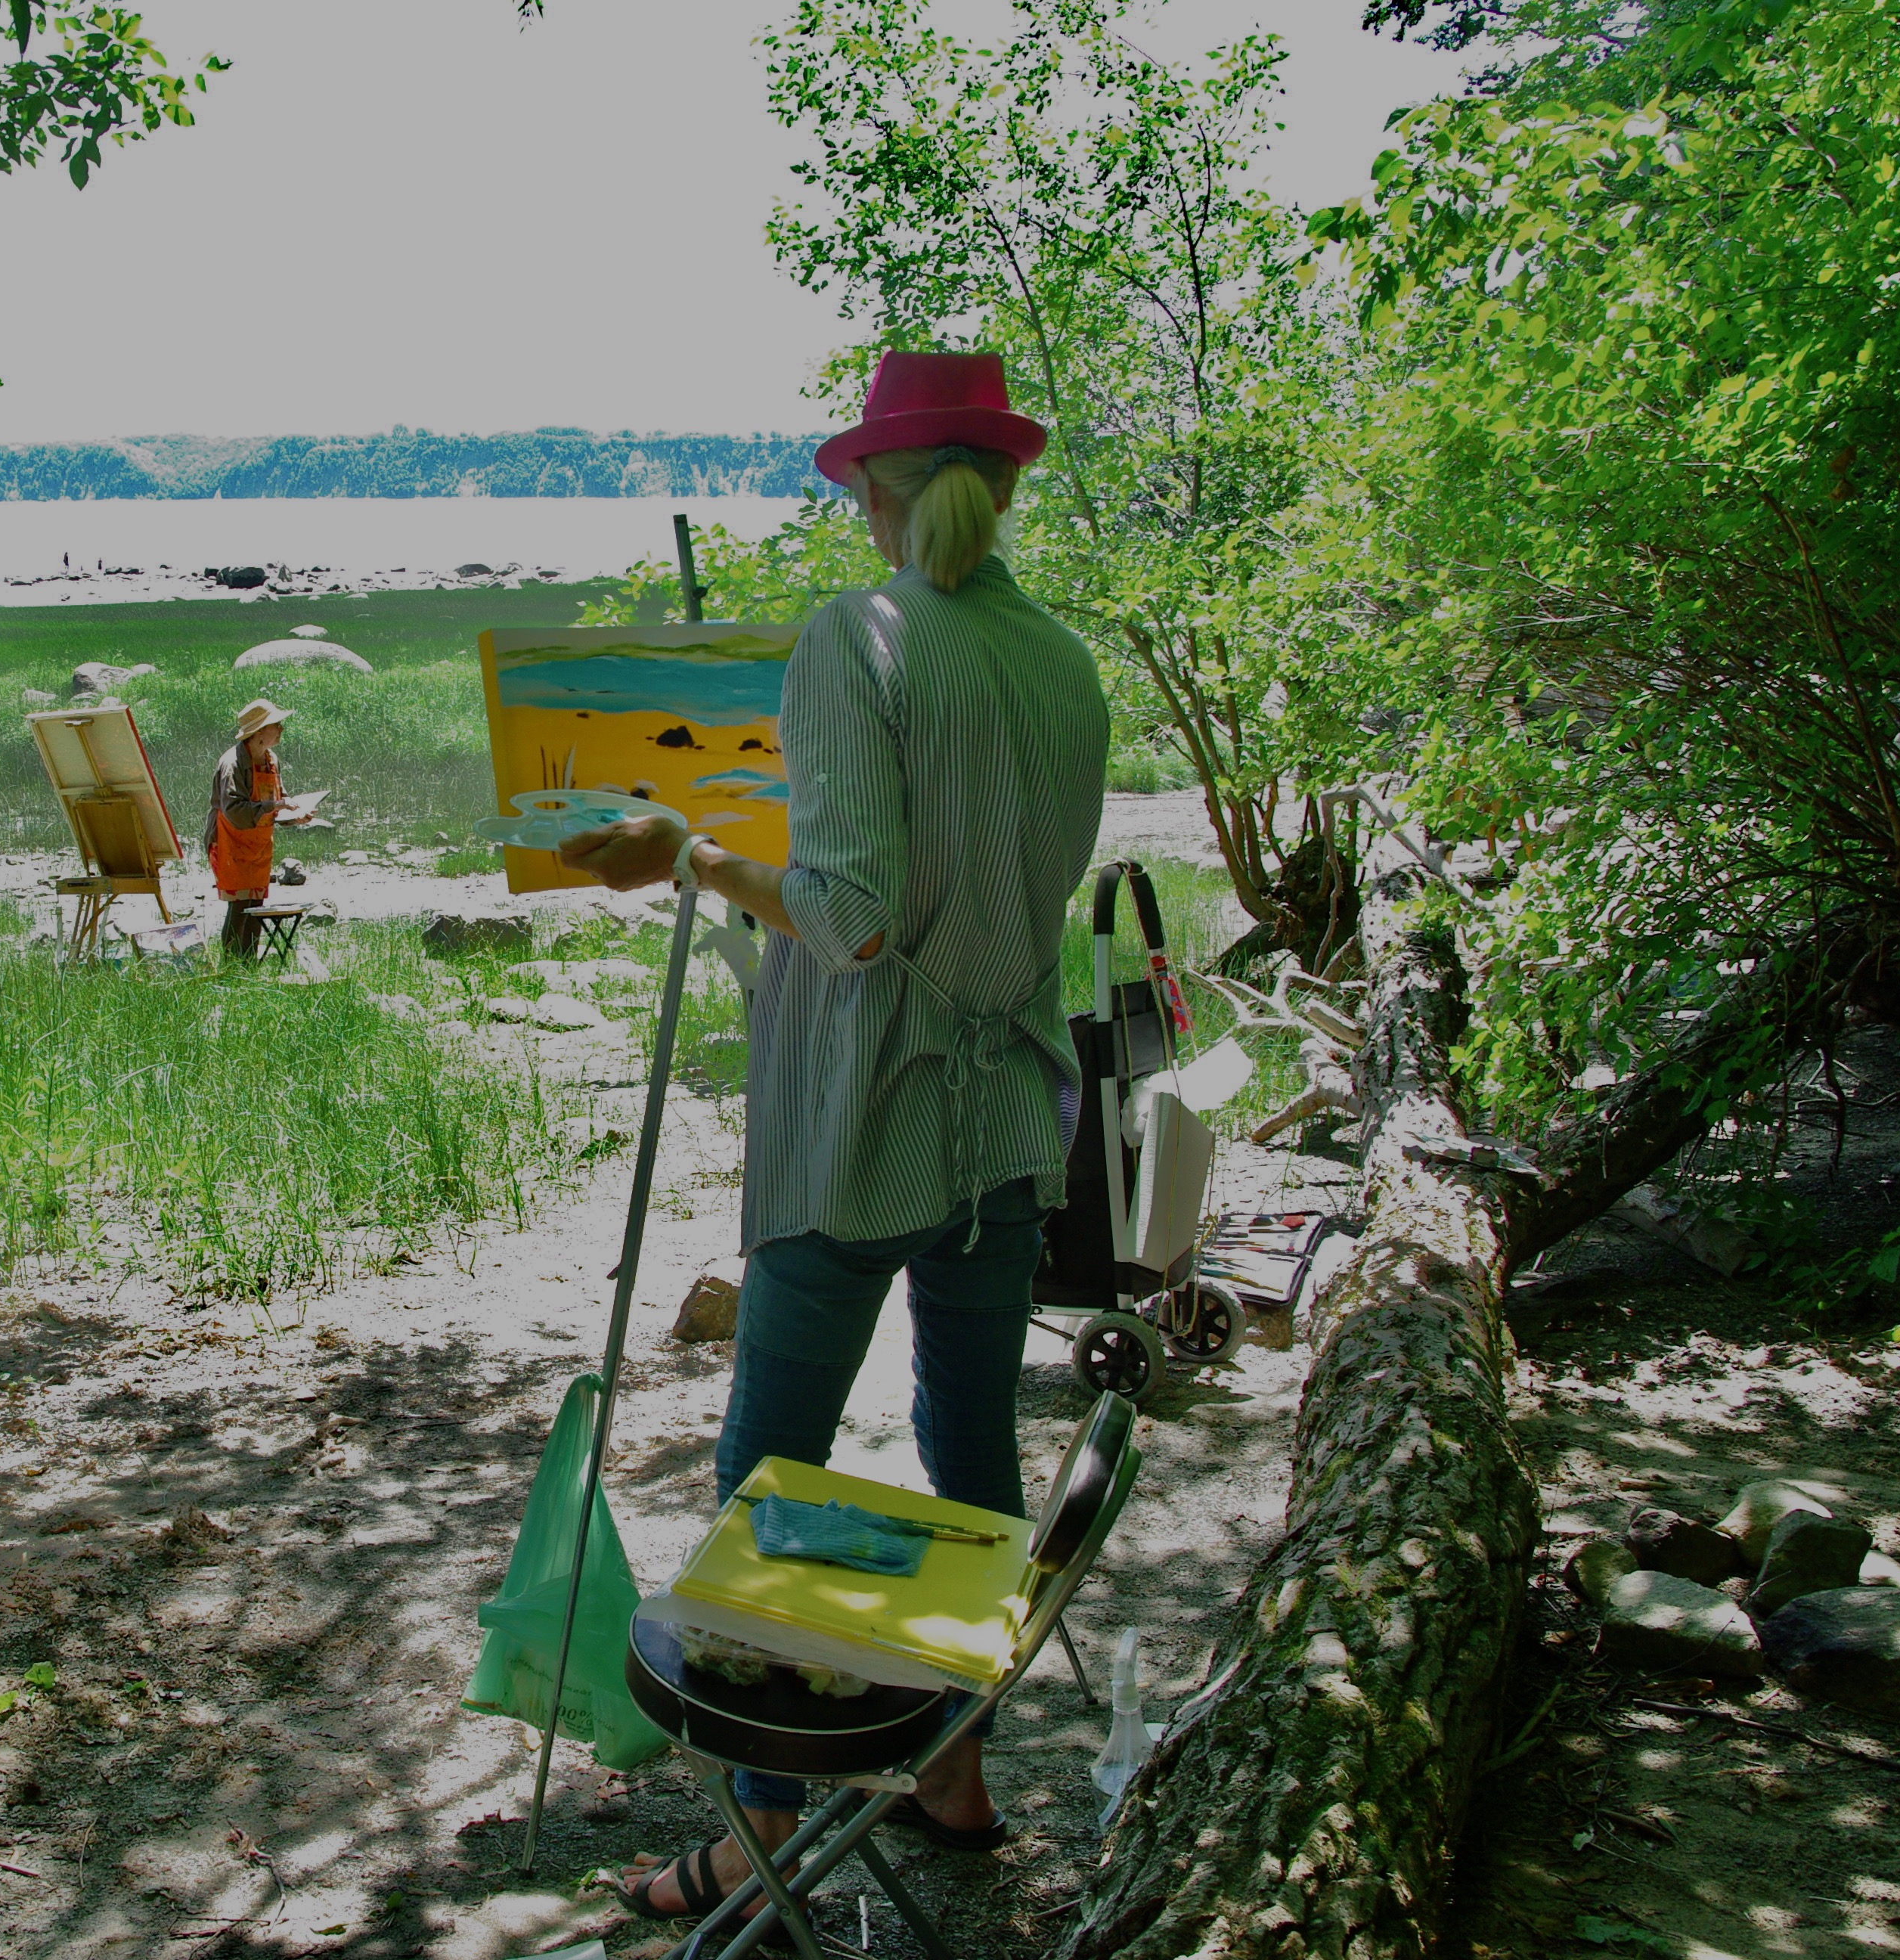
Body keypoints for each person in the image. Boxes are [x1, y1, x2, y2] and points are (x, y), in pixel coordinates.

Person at [559, 351, 1109, 1925]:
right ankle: (953, 1769)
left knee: (767, 1475)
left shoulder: (852, 634)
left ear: (877, 491)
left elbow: (853, 919)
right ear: (1001, 487)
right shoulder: (1059, 658)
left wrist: (690, 853)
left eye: (860, 482)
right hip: (1006, 1116)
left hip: (862, 1114)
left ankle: (759, 1836)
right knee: (972, 1452)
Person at [208, 697, 313, 958]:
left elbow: (278, 802)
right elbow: (235, 811)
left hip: (258, 842)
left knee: (257, 905)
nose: (281, 729)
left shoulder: (271, 759)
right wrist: (277, 805)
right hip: (230, 840)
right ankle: (231, 965)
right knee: (240, 905)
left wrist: (296, 815)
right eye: (276, 725)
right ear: (258, 732)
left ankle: (249, 965)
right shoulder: (232, 764)